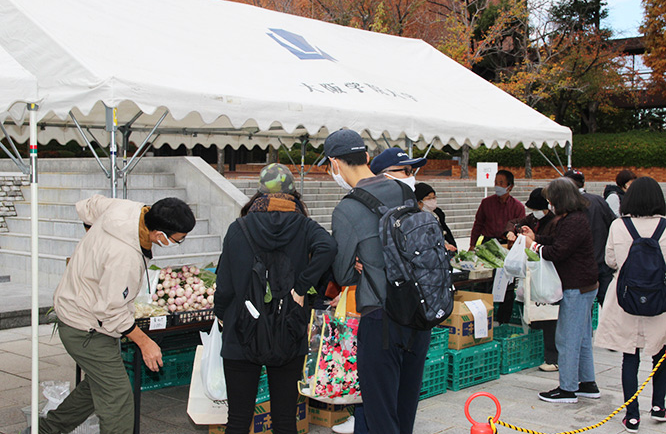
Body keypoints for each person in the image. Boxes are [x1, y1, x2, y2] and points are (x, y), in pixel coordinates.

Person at [37, 196, 195, 434]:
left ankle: (46, 429)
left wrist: (93, 245)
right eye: (178, 240)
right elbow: (111, 311)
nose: (179, 242)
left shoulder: (128, 209)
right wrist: (145, 342)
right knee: (118, 396)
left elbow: (86, 205)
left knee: (98, 385)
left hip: (80, 308)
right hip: (85, 326)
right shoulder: (125, 257)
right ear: (159, 234)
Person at [214, 163, 337, 434]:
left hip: (241, 329)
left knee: (237, 419)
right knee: (284, 419)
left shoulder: (239, 227)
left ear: (259, 193)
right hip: (289, 329)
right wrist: (302, 288)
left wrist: (221, 312)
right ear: (293, 194)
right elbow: (328, 247)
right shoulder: (304, 226)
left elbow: (224, 283)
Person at [323, 130, 430, 434]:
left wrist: (363, 265)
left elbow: (343, 275)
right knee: (404, 406)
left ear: (334, 163)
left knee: (380, 412)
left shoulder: (347, 209)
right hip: (418, 310)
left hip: (381, 317)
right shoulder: (403, 191)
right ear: (368, 158)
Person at [595, 176, 666, 433]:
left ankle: (632, 416)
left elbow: (610, 261)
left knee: (630, 356)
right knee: (661, 352)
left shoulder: (618, 226)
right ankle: (659, 407)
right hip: (661, 299)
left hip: (625, 298)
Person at [521, 177, 599, 404]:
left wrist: (533, 245)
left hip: (577, 286)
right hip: (583, 284)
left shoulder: (573, 221)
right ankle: (587, 383)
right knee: (582, 337)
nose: (549, 205)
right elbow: (557, 241)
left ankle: (567, 389)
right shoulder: (571, 218)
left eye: (551, 200)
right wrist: (536, 237)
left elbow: (558, 251)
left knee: (567, 338)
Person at [505, 188, 558, 371]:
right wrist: (514, 231)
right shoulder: (534, 219)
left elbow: (552, 243)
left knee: (550, 314)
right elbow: (516, 223)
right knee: (537, 312)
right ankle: (540, 350)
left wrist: (534, 241)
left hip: (550, 273)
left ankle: (553, 357)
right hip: (536, 270)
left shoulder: (555, 221)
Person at [564, 169, 616, 306]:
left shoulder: (567, 205)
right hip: (602, 261)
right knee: (606, 303)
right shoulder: (599, 201)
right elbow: (613, 223)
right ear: (583, 183)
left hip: (579, 267)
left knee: (583, 308)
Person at [469, 169, 525, 249]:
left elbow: (521, 228)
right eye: (496, 183)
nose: (497, 186)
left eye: (501, 183)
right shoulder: (486, 203)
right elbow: (478, 224)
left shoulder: (518, 207)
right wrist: (472, 245)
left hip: (507, 244)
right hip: (488, 243)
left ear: (510, 186)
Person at [415, 182, 458, 252]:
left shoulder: (437, 214)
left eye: (434, 198)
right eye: (428, 198)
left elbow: (447, 234)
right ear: (419, 202)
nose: (432, 201)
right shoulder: (415, 219)